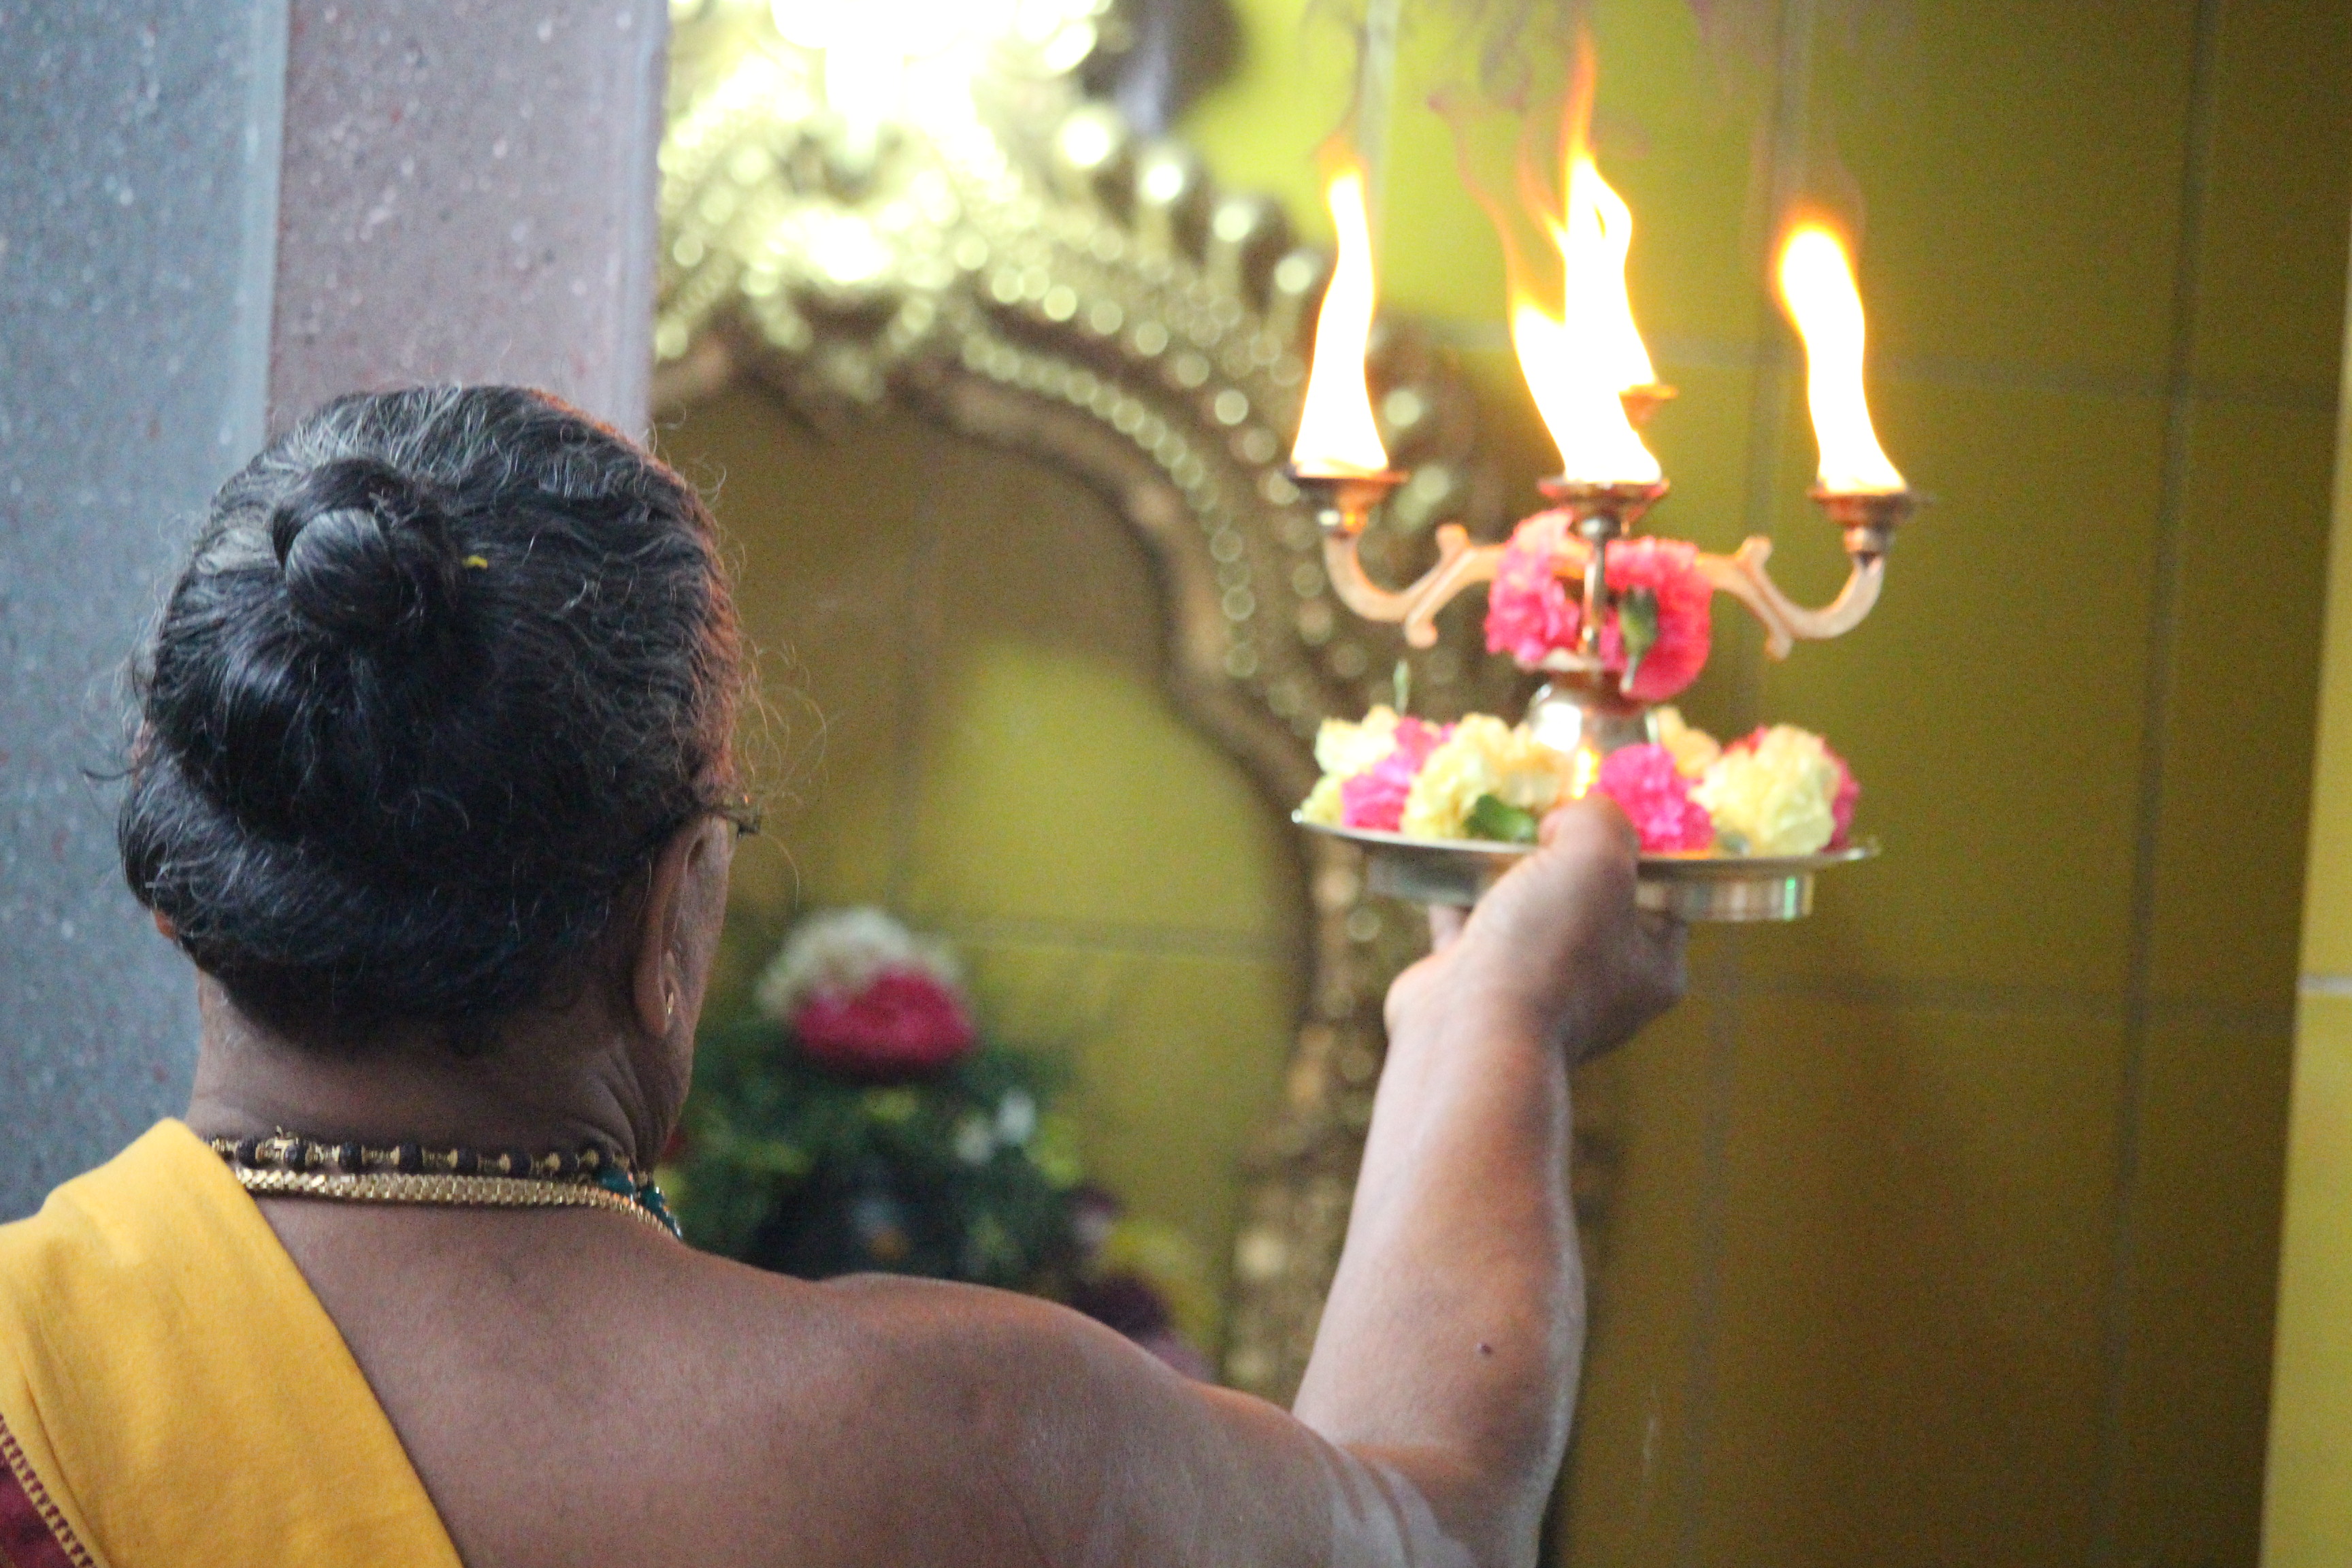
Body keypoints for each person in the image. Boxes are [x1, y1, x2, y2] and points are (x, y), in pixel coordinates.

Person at [0, 386, 1684, 1567]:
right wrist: (1497, 1022)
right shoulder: (953, 1439)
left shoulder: (32, 1373)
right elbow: (1443, 1522)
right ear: (673, 925)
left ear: (177, 882)